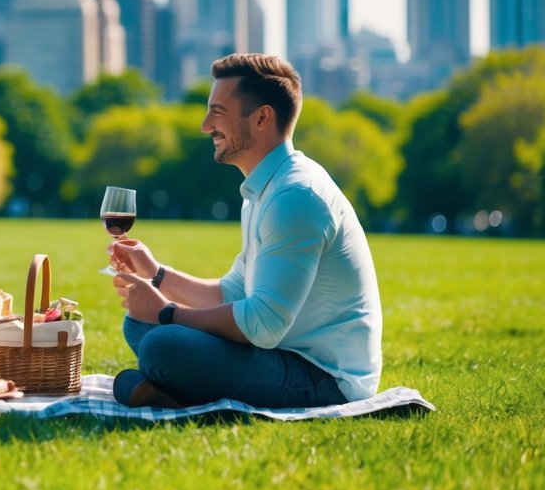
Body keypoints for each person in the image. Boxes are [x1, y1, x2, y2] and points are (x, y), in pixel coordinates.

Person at [109, 53, 382, 409]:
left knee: (162, 344)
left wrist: (166, 313)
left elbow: (263, 325)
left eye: (217, 113)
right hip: (281, 352)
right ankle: (168, 386)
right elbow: (233, 292)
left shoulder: (295, 196)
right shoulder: (264, 189)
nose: (205, 126)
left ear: (262, 118)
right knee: (139, 326)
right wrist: (156, 274)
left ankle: (165, 387)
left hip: (325, 376)